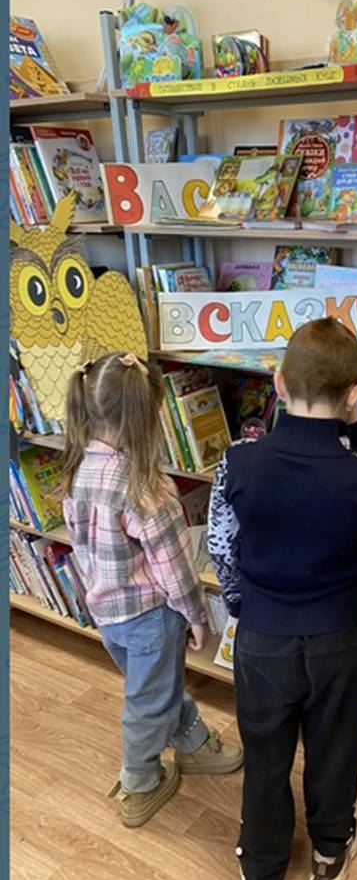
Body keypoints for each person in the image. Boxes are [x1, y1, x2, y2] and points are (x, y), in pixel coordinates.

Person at [208, 318, 357, 880]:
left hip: (262, 633)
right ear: (355, 392)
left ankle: (263, 871)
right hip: (337, 634)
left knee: (265, 754)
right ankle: (329, 851)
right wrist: (355, 425)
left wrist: (243, 606)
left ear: (279, 383)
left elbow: (221, 547)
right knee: (335, 749)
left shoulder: (237, 461)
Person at [62, 352, 243, 828]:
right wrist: (197, 616)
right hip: (150, 618)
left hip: (108, 614)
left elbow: (82, 548)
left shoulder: (77, 473)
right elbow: (175, 569)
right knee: (147, 703)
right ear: (146, 419)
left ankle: (191, 742)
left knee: (156, 686)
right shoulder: (146, 489)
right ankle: (140, 782)